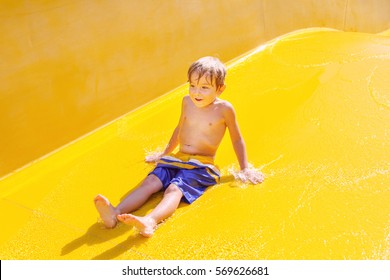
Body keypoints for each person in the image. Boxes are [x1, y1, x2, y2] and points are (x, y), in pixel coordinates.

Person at [94, 56, 264, 237]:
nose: (196, 92)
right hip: (178, 158)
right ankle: (115, 212)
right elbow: (180, 128)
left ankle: (150, 221)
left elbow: (237, 139)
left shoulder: (224, 110)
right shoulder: (187, 102)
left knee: (174, 189)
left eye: (204, 87)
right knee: (151, 182)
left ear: (220, 89)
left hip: (202, 165)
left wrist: (245, 168)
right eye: (192, 85)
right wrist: (164, 153)